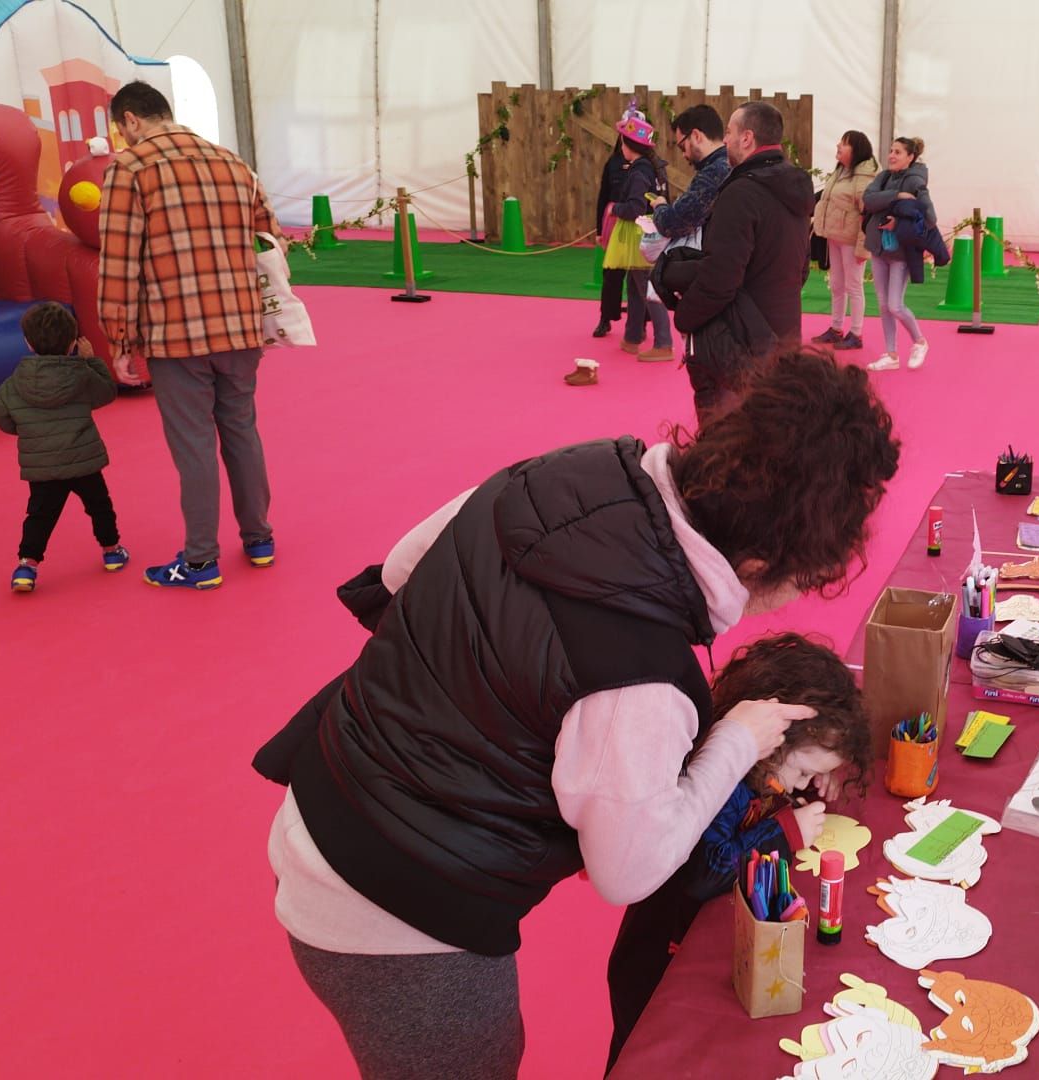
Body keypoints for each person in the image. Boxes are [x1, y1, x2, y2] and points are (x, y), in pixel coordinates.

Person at [255, 347, 900, 1079]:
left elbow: (405, 568)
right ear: (759, 566)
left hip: (329, 802)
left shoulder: (571, 473)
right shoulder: (641, 675)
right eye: (804, 582)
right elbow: (629, 873)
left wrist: (473, 696)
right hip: (397, 909)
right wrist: (735, 740)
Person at [604, 632, 870, 1069]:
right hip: (656, 956)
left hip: (689, 943)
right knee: (642, 1058)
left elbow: (772, 795)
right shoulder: (721, 774)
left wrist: (817, 783)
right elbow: (704, 872)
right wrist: (785, 834)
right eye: (804, 770)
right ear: (777, 739)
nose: (802, 784)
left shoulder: (766, 767)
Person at [98, 80, 283, 591]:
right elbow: (269, 239)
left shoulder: (130, 168)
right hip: (241, 326)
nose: (123, 139)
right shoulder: (232, 162)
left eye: (120, 129)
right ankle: (259, 539)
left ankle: (201, 560)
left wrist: (119, 337)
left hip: (175, 331)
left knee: (194, 445)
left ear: (131, 120)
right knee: (242, 430)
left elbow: (118, 260)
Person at [666, 101, 813, 419]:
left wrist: (685, 317)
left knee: (732, 444)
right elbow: (801, 270)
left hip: (742, 345)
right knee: (776, 437)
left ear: (747, 138)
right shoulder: (794, 191)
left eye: (730, 132)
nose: (726, 140)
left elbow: (720, 279)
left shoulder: (741, 193)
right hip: (785, 336)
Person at [0, 302, 128, 593]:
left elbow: (1, 414)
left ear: (28, 342)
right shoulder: (80, 375)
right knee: (100, 506)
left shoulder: (15, 383)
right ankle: (112, 550)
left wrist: (24, 429)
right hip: (83, 460)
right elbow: (106, 393)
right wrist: (90, 361)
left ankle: (27, 566)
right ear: (71, 344)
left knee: (40, 515)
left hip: (43, 468)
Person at [603, 105, 674, 363]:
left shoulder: (638, 171)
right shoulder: (654, 168)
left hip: (640, 236)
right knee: (637, 287)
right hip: (651, 232)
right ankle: (633, 336)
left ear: (626, 143)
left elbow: (634, 206)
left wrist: (614, 209)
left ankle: (664, 342)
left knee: (648, 287)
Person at [860, 137, 935, 372]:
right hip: (879, 249)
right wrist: (896, 197)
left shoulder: (916, 182)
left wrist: (898, 223)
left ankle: (920, 342)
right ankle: (891, 354)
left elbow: (929, 218)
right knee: (883, 305)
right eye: (891, 150)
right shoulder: (883, 177)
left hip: (900, 254)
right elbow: (868, 200)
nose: (891, 155)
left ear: (910, 157)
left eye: (898, 152)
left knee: (895, 305)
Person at [810, 131, 877, 351]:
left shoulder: (865, 177)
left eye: (845, 144)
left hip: (851, 240)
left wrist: (862, 248)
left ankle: (856, 333)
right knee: (837, 285)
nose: (838, 145)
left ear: (856, 149)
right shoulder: (841, 171)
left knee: (854, 286)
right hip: (835, 236)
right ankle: (836, 328)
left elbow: (868, 214)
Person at [650, 104, 730, 243]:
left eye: (682, 147)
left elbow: (672, 223)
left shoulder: (714, 173)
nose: (683, 155)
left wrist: (660, 206)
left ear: (696, 136)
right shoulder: (731, 164)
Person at [592, 147, 632, 338]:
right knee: (611, 273)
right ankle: (605, 318)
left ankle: (639, 320)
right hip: (615, 223)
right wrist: (600, 230)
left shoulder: (650, 164)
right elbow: (603, 195)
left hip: (640, 224)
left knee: (640, 277)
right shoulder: (613, 163)